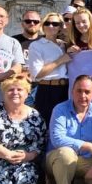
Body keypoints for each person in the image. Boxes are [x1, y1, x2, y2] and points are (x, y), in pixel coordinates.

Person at [26, 12, 70, 142]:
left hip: (66, 89)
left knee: (64, 127)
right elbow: (36, 74)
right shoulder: (36, 45)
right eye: (47, 23)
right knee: (45, 128)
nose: (51, 26)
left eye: (55, 24)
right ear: (43, 26)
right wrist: (60, 60)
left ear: (60, 27)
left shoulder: (64, 44)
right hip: (47, 90)